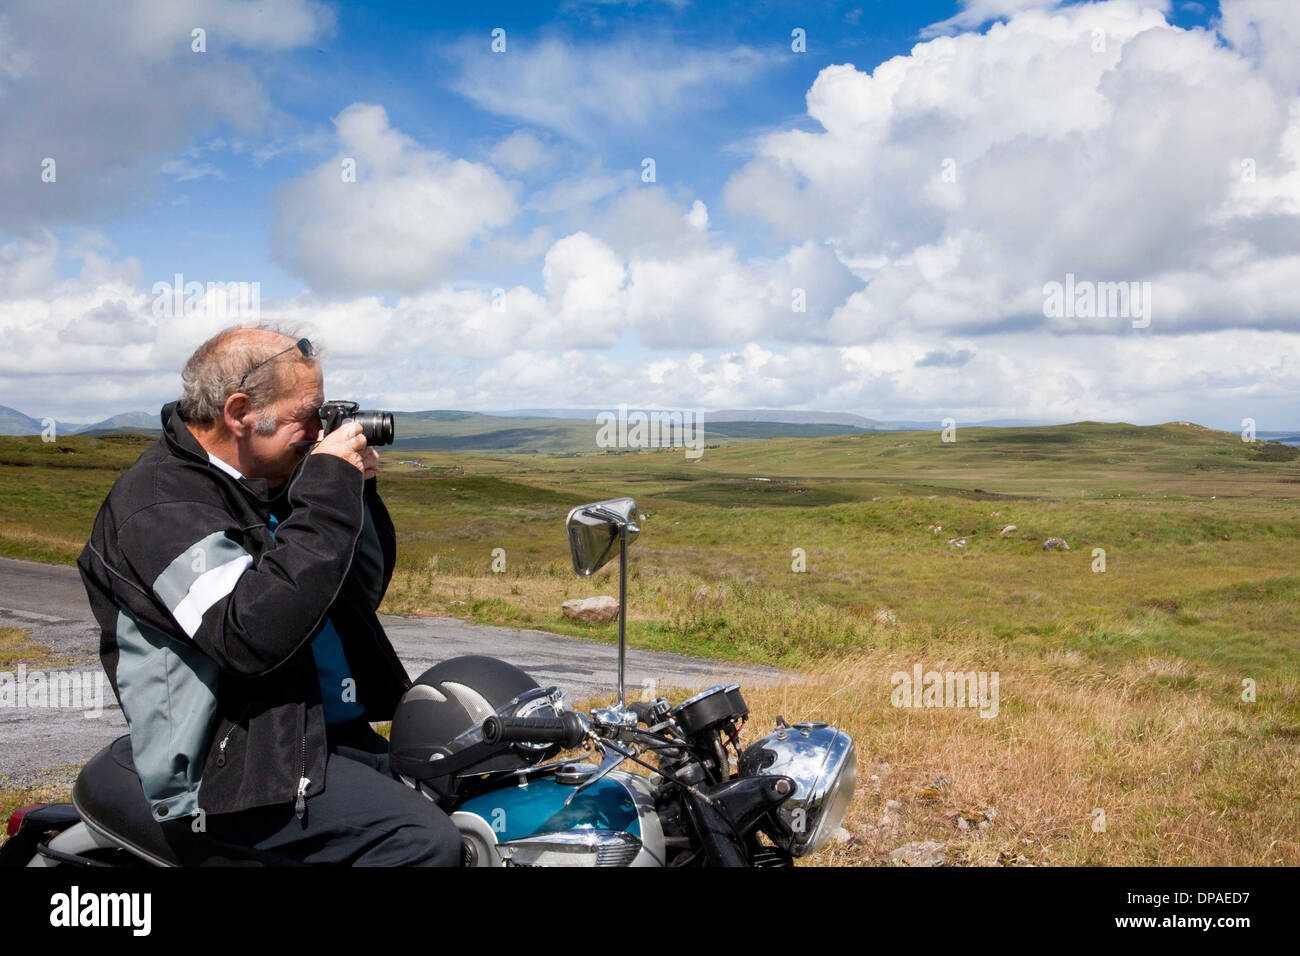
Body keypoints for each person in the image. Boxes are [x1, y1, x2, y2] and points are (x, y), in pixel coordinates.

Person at [77, 323, 461, 865]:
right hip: (229, 761)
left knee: (463, 790)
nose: (320, 429)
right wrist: (326, 496)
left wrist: (357, 496)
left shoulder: (265, 479)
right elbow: (248, 635)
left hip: (310, 731)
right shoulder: (161, 508)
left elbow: (355, 595)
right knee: (421, 843)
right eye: (308, 414)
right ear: (238, 413)